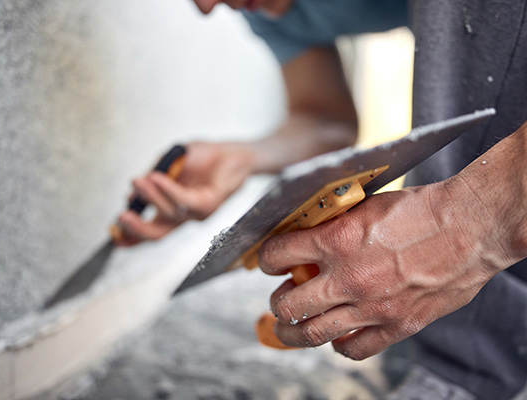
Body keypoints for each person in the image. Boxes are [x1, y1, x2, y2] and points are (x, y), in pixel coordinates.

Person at [117, 1, 527, 399]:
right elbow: (326, 119)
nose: (206, 7)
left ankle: (465, 366)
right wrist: (248, 157)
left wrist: (467, 225)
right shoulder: (264, 9)